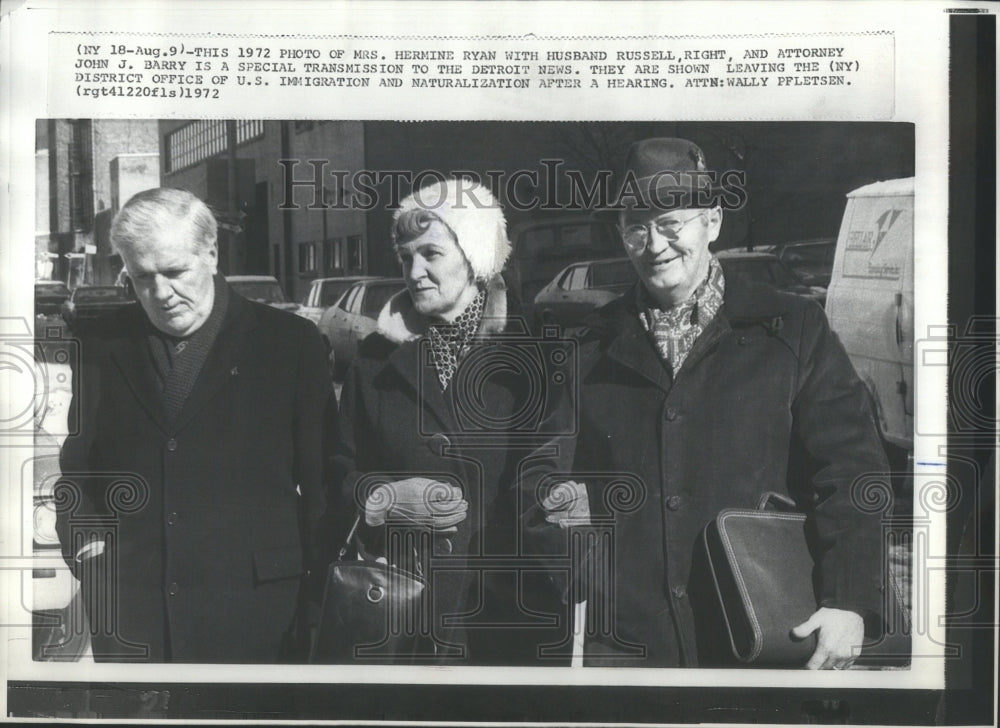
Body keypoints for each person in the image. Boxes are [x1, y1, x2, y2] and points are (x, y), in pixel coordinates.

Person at [525, 138, 890, 669]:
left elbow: (853, 468)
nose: (654, 245)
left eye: (671, 223)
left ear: (712, 222)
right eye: (636, 226)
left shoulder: (792, 328)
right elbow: (536, 477)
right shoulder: (585, 348)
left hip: (764, 628)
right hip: (632, 642)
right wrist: (573, 561)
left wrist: (849, 600)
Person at [56, 188, 335, 663]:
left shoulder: (290, 344)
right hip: (132, 616)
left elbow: (324, 482)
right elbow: (79, 471)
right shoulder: (102, 342)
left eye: (174, 271)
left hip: (260, 616)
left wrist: (319, 599)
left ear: (211, 253)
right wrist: (90, 553)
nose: (160, 293)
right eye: (141, 278)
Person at [331, 179, 565, 664]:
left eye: (431, 254)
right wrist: (382, 498)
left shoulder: (536, 351)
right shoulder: (374, 362)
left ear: (474, 256)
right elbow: (338, 469)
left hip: (512, 621)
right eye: (405, 257)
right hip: (407, 618)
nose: (414, 272)